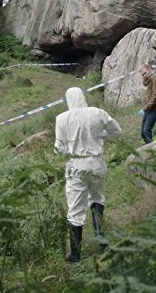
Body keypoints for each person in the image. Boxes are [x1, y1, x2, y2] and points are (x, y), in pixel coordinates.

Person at [55, 87, 122, 263]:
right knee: (97, 198)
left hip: (76, 164)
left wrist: (68, 151)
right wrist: (102, 137)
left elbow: (59, 149)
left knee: (75, 207)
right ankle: (101, 240)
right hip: (97, 161)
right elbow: (117, 132)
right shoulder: (97, 112)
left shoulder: (61, 119)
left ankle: (75, 254)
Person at [138, 63, 156, 144]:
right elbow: (144, 83)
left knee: (146, 131)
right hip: (149, 108)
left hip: (154, 108)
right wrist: (145, 77)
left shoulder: (155, 80)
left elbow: (155, 97)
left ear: (150, 70)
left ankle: (152, 149)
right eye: (142, 74)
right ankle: (149, 148)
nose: (144, 75)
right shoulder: (150, 79)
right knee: (143, 133)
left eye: (145, 73)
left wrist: (144, 109)